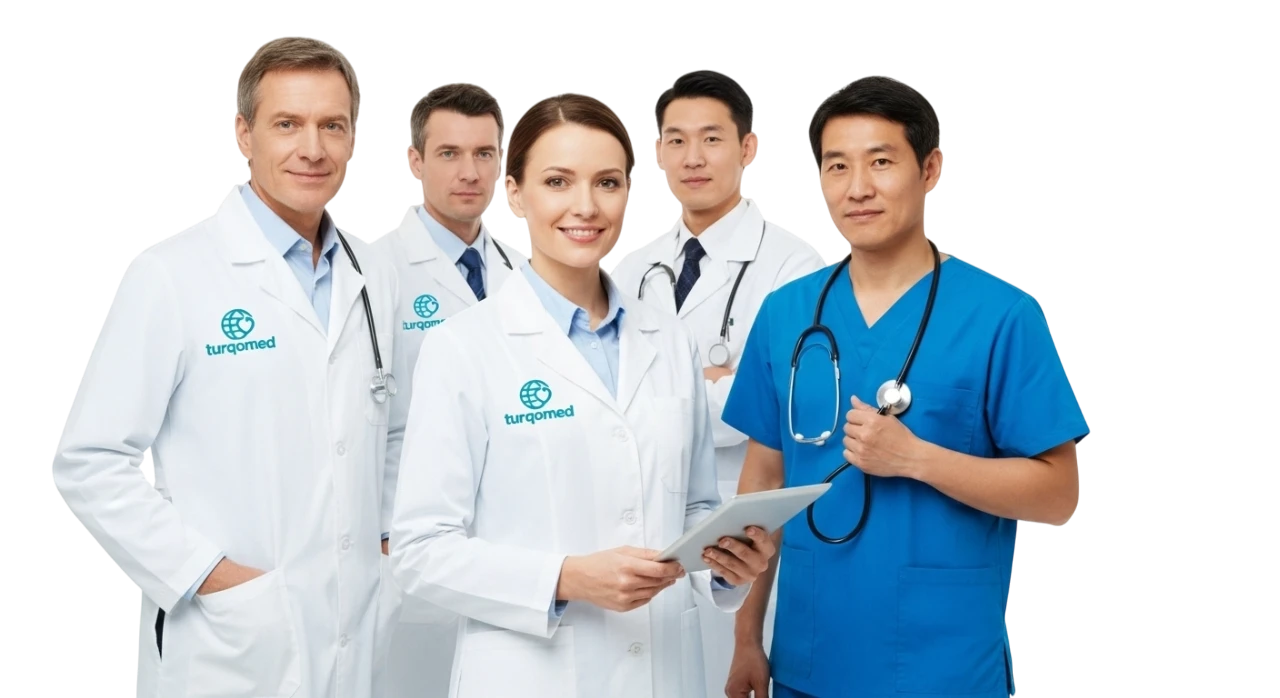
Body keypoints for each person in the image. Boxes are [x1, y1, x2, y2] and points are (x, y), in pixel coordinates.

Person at [49, 37, 405, 698]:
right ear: (244, 133)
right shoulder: (173, 273)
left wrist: (383, 546)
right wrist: (211, 576)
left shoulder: (374, 274)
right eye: (287, 124)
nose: (313, 148)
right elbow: (89, 461)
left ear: (354, 139)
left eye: (332, 125)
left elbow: (390, 432)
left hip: (358, 627)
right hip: (232, 641)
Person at [389, 92, 777, 698]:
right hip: (531, 675)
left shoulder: (667, 339)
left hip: (662, 669)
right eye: (557, 181)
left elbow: (697, 508)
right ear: (515, 195)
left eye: (607, 182)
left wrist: (730, 568)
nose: (586, 206)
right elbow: (419, 551)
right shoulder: (464, 347)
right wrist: (566, 578)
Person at [721, 75, 1088, 698]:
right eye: (837, 166)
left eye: (881, 162)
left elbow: (1059, 496)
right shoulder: (787, 314)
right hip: (809, 659)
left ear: (930, 169)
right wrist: (747, 638)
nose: (857, 188)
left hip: (942, 667)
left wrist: (916, 459)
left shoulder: (1000, 316)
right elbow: (763, 479)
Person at [609, 69, 828, 698]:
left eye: (711, 139)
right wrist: (715, 383)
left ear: (747, 148)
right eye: (676, 141)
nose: (693, 158)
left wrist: (666, 387)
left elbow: (778, 407)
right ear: (658, 153)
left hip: (743, 527)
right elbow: (603, 400)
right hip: (643, 523)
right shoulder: (633, 264)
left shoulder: (796, 264)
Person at [373, 80, 527, 698]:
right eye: (449, 153)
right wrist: (383, 530)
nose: (470, 172)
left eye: (484, 153)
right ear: (414, 161)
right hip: (408, 541)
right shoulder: (376, 271)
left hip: (511, 542)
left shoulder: (524, 270)